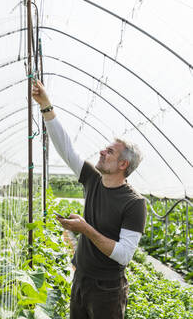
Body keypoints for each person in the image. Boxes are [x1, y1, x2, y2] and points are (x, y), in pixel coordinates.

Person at [32, 80, 147, 319]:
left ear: (123, 165)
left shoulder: (134, 203)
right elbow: (67, 149)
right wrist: (46, 106)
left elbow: (124, 254)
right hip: (81, 278)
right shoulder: (93, 179)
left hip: (107, 289)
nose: (102, 152)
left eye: (110, 152)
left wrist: (85, 229)